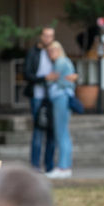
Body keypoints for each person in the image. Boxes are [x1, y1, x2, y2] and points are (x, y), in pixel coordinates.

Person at [24, 27, 58, 173]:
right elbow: (27, 74)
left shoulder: (55, 52)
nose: (48, 38)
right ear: (40, 36)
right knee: (38, 131)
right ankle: (35, 166)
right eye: (45, 35)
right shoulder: (33, 52)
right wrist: (44, 78)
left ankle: (49, 166)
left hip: (53, 97)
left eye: (51, 36)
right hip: (37, 96)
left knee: (52, 132)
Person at [44, 41, 75, 179]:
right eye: (49, 51)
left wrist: (50, 79)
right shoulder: (64, 62)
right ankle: (64, 166)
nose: (51, 53)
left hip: (60, 98)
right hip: (62, 98)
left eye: (53, 50)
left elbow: (57, 80)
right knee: (63, 133)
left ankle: (63, 167)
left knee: (61, 133)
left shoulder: (61, 62)